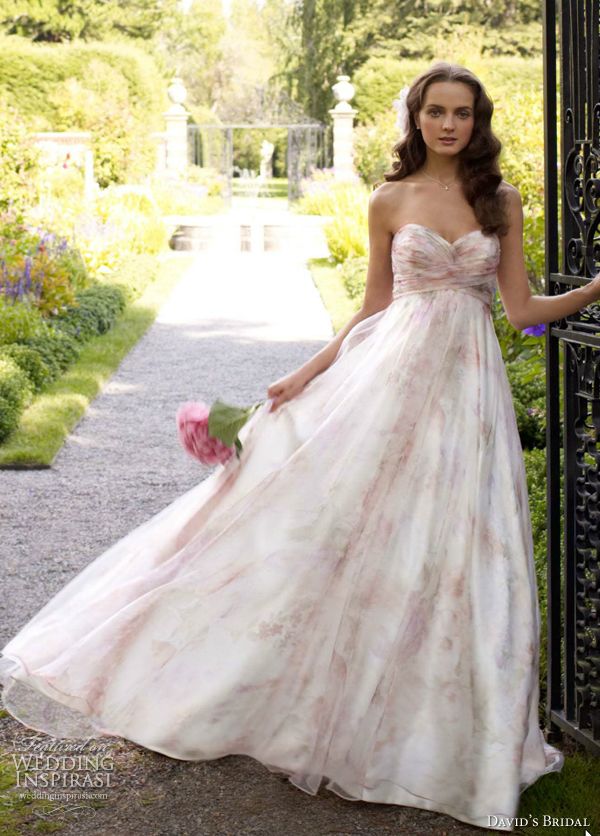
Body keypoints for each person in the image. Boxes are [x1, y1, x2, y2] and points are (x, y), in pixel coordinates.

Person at [1, 61, 599, 832]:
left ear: (478, 122)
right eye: (436, 111)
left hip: (468, 396)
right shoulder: (389, 199)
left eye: (463, 113)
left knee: (459, 547)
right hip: (389, 384)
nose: (450, 124)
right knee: (335, 523)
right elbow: (372, 310)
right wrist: (303, 373)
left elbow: (519, 312)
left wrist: (589, 293)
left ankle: (445, 726)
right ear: (416, 119)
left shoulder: (500, 200)